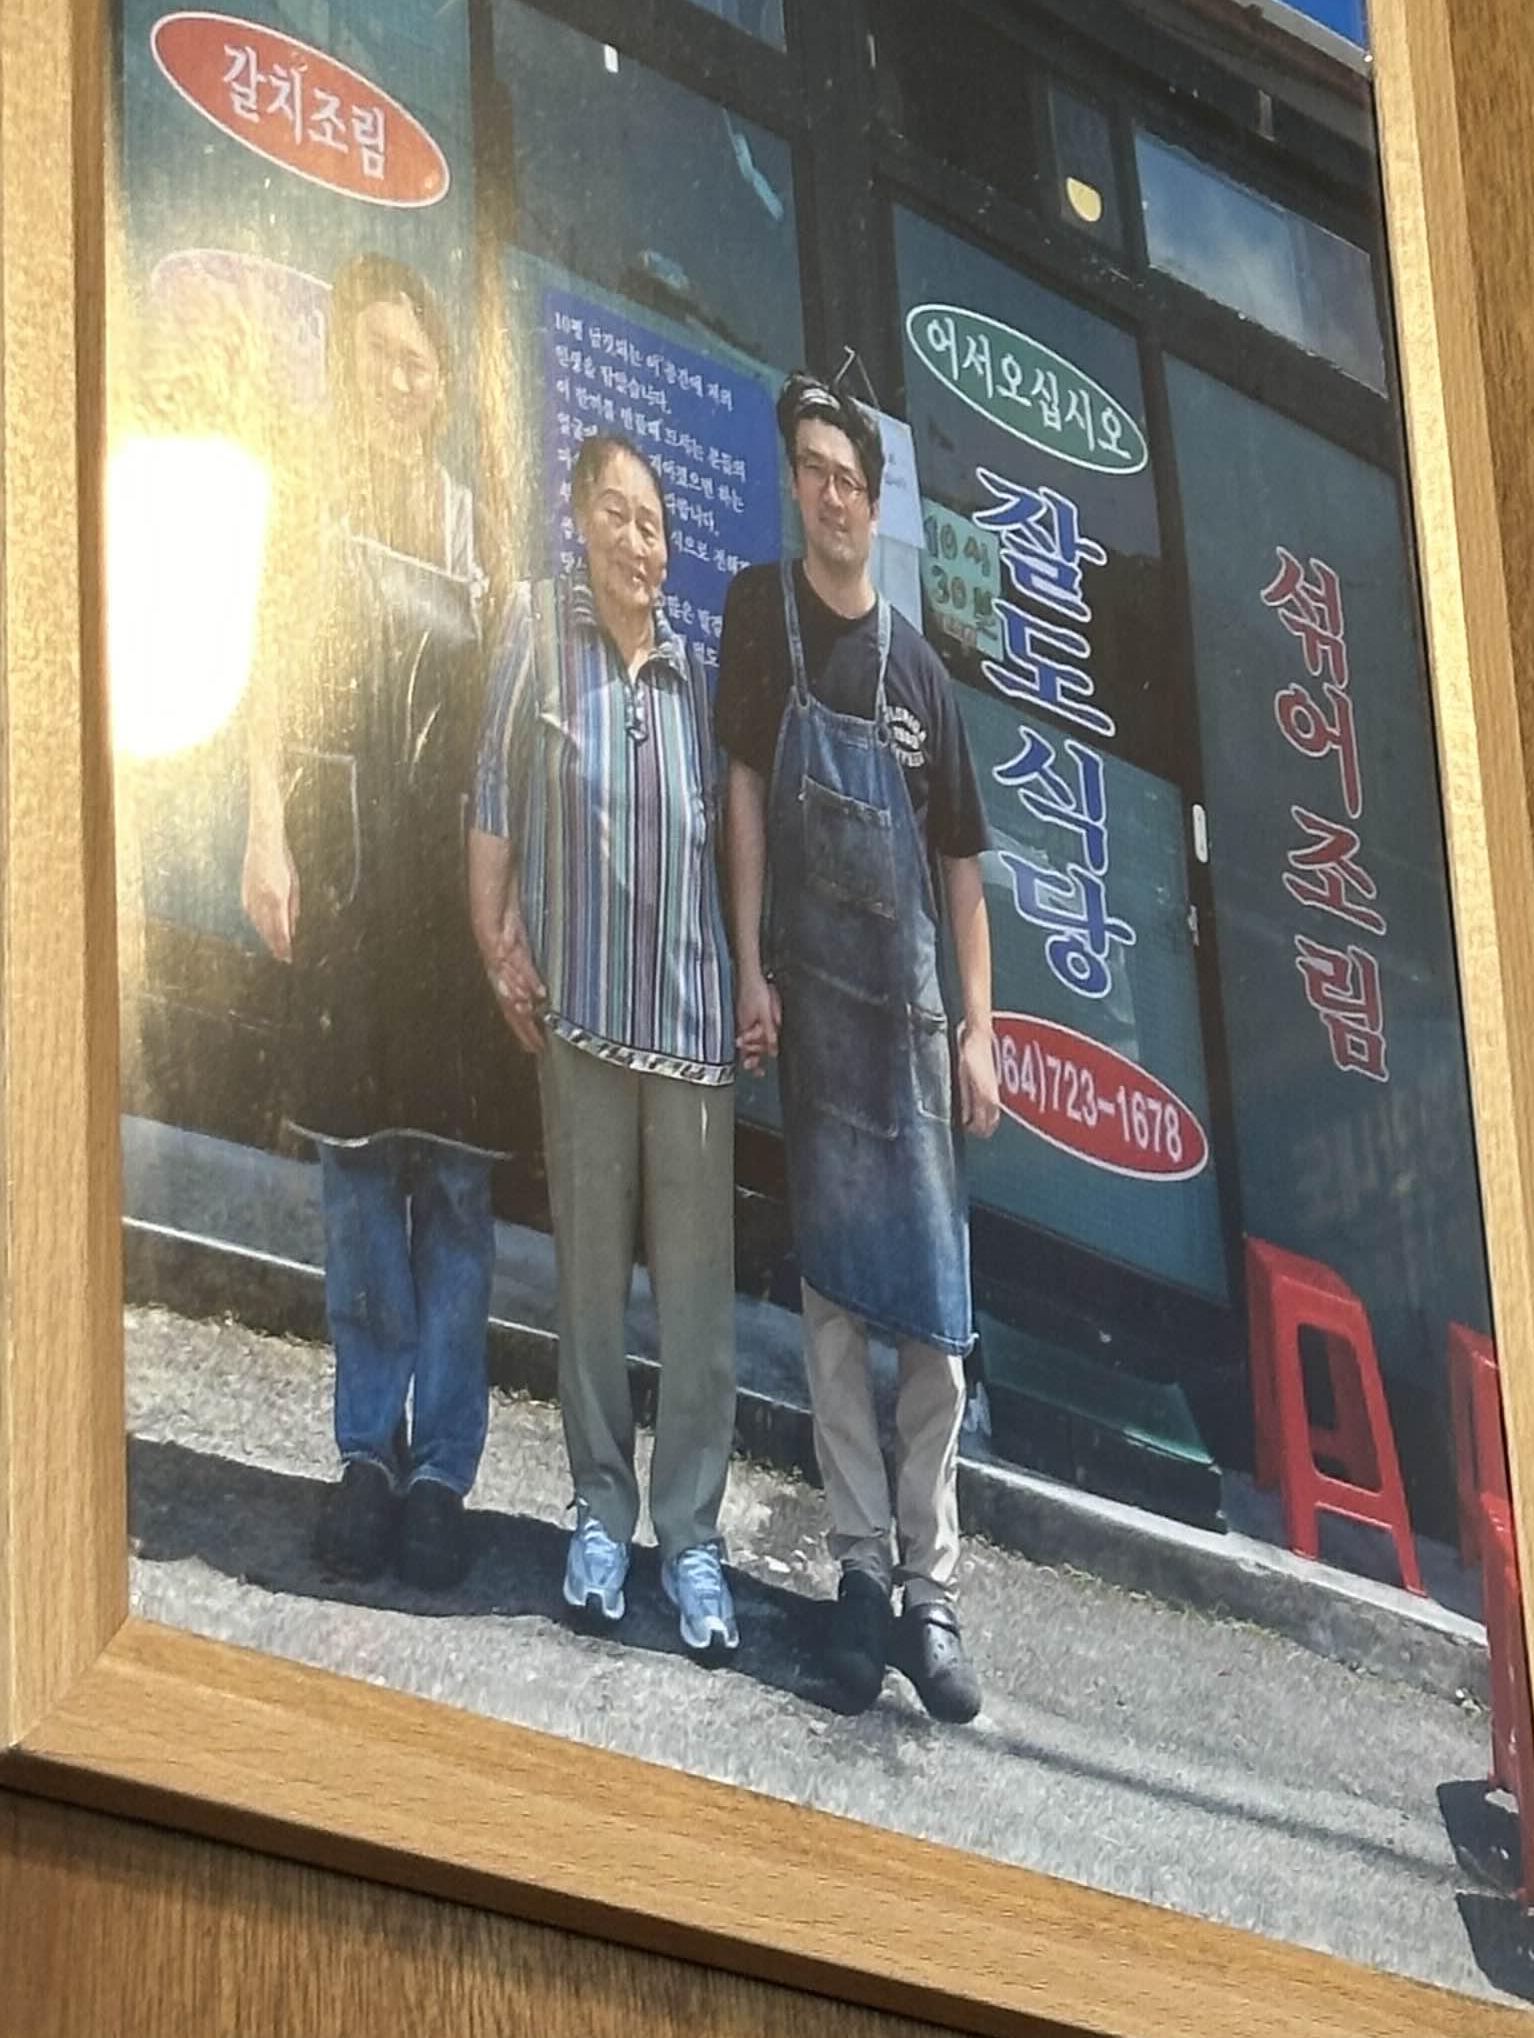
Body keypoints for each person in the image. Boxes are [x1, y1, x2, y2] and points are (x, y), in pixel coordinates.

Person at [716, 372, 1002, 1721]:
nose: (833, 496)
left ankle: (930, 1590)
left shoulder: (923, 675)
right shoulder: (756, 619)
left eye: (852, 479)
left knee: (934, 1322)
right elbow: (743, 796)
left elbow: (962, 872)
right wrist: (749, 965)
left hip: (913, 1025)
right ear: (794, 486)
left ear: (876, 507)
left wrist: (980, 1032)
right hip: (819, 1014)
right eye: (815, 473)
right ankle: (856, 1576)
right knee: (833, 1306)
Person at [240, 254, 526, 1592]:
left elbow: (512, 747)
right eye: (376, 357)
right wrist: (265, 830)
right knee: (359, 1179)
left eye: (417, 362)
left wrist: (512, 915)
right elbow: (268, 681)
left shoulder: (483, 539)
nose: (398, 381)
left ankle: (442, 1473)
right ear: (345, 370)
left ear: (445, 386)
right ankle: (367, 1454)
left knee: (455, 1190)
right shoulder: (309, 505)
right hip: (350, 879)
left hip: (454, 901)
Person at [468, 429, 741, 1661]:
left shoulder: (698, 676)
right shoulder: (537, 626)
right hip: (577, 1020)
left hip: (690, 1034)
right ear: (579, 517)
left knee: (697, 1311)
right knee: (588, 1288)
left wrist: (749, 979)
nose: (641, 542)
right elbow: (492, 790)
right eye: (620, 516)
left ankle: (689, 1536)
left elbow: (729, 841)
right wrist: (497, 941)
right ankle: (598, 1511)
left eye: (656, 524)